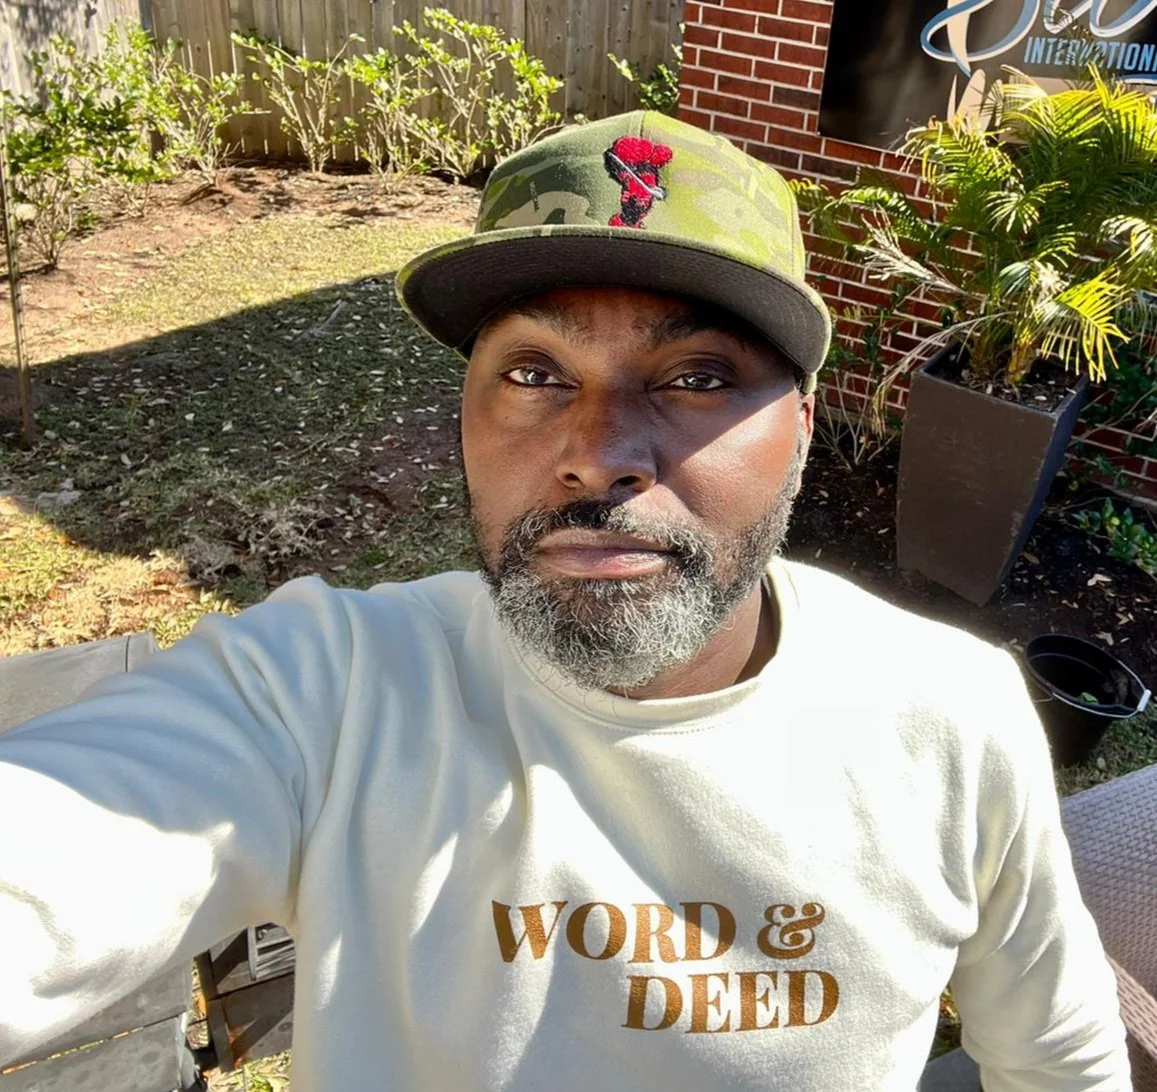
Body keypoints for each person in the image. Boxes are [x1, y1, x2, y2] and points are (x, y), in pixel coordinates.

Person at [0, 111, 1129, 1091]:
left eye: (695, 377)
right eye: (535, 374)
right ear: (463, 419)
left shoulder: (954, 719)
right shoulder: (322, 691)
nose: (596, 454)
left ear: (797, 432)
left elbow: (1057, 1057)